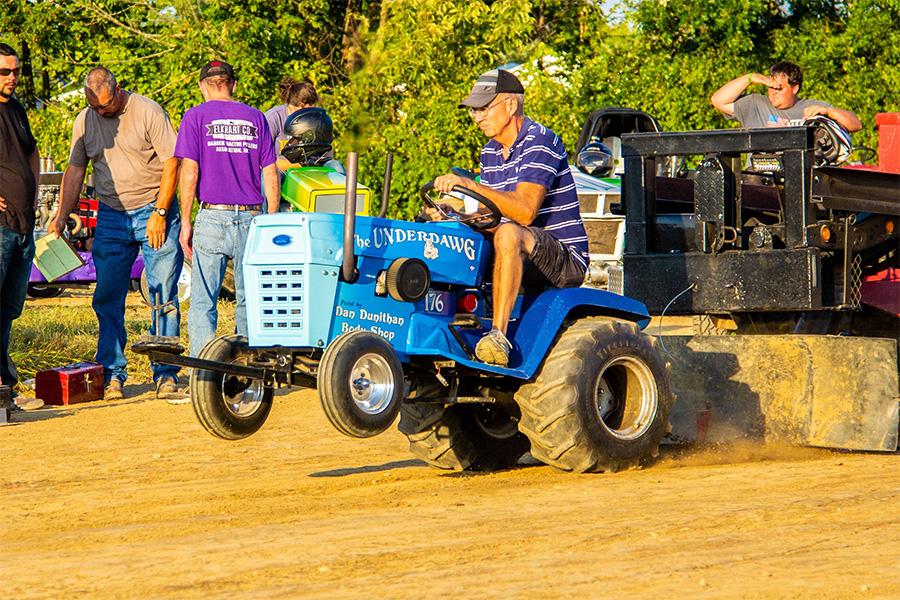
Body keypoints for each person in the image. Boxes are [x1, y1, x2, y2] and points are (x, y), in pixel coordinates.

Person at [429, 69, 589, 367]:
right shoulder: (489, 152)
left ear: (510, 105)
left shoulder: (541, 141)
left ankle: (498, 336)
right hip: (520, 252)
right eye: (474, 110)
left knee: (509, 233)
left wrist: (471, 185)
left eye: (483, 109)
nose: (477, 117)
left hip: (562, 258)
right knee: (448, 232)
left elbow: (524, 212)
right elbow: (492, 213)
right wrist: (456, 215)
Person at [50, 67, 183, 401]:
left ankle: (165, 372)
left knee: (161, 292)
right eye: (94, 106)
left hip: (155, 209)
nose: (101, 112)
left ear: (118, 89)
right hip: (110, 214)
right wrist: (60, 217)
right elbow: (76, 168)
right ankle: (112, 374)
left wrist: (161, 212)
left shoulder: (149, 112)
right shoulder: (85, 119)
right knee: (107, 295)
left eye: (106, 106)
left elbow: (173, 163)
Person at [175, 60, 279, 358]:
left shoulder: (194, 117)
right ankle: (249, 371)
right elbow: (270, 174)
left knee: (203, 301)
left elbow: (190, 172)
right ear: (233, 85)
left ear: (202, 87)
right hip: (251, 218)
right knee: (249, 300)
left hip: (212, 216)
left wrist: (185, 222)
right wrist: (270, 221)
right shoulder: (256, 117)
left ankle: (205, 374)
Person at [0, 43, 43, 411]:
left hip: (23, 225)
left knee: (8, 309)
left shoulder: (15, 108)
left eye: (15, 70)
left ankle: (5, 388)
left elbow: (31, 148)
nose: (12, 77)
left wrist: (32, 185)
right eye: (4, 72)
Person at [710, 61, 862, 132]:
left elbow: (856, 125)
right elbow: (718, 100)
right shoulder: (755, 104)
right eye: (771, 87)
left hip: (798, 179)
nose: (773, 92)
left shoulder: (812, 107)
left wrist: (829, 112)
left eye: (779, 88)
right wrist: (749, 78)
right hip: (759, 179)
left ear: (795, 88)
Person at [264, 77, 319, 172]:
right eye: (304, 112)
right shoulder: (273, 118)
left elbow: (327, 151)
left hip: (312, 167)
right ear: (291, 107)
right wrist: (300, 165)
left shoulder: (319, 118)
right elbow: (263, 160)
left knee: (335, 165)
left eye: (312, 110)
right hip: (282, 170)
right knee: (268, 177)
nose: (309, 115)